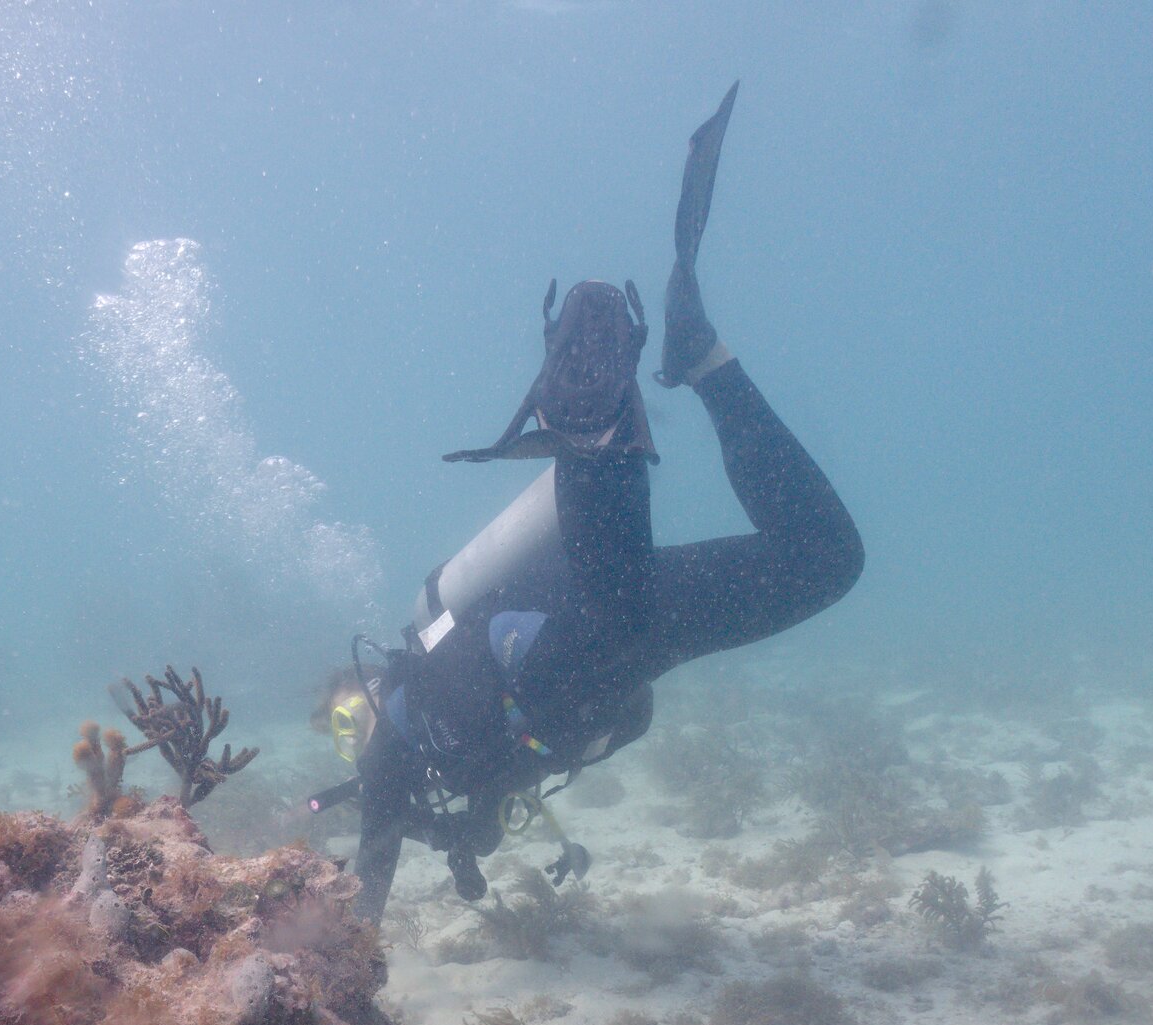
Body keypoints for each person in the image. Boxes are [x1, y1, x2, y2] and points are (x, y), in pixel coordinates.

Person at [332, 85, 863, 923]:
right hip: (624, 638)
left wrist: (345, 956)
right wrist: (472, 836)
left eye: (347, 714)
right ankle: (691, 365)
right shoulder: (441, 733)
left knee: (639, 602)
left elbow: (368, 880)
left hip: (601, 638)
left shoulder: (400, 741)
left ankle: (589, 429)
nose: (354, 730)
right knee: (826, 560)